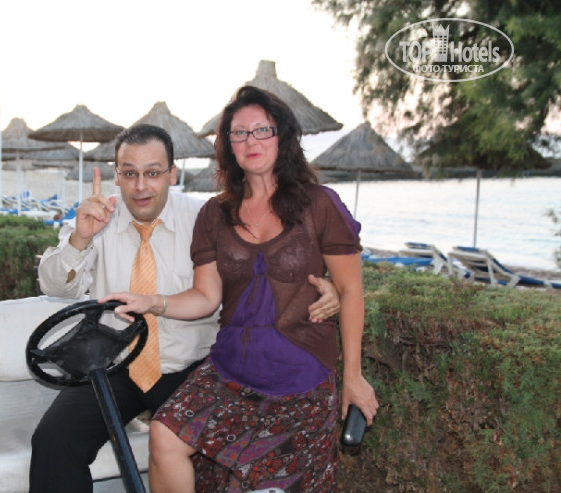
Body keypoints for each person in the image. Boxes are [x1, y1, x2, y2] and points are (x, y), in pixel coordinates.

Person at [30, 123, 341, 493]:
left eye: (152, 173)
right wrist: (80, 239)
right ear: (117, 176)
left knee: (218, 458)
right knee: (53, 441)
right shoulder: (97, 220)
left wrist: (328, 287)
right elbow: (53, 286)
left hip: (191, 368)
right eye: (129, 174)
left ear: (172, 174)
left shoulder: (207, 217)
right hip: (115, 366)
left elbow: (267, 269)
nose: (141, 186)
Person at [103, 88, 379, 492]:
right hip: (228, 369)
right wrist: (152, 302)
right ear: (228, 145)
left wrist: (352, 376)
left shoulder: (320, 204)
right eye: (239, 133)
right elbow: (206, 296)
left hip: (299, 379)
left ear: (282, 137)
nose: (251, 141)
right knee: (165, 435)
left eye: (262, 130)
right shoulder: (215, 213)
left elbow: (351, 291)